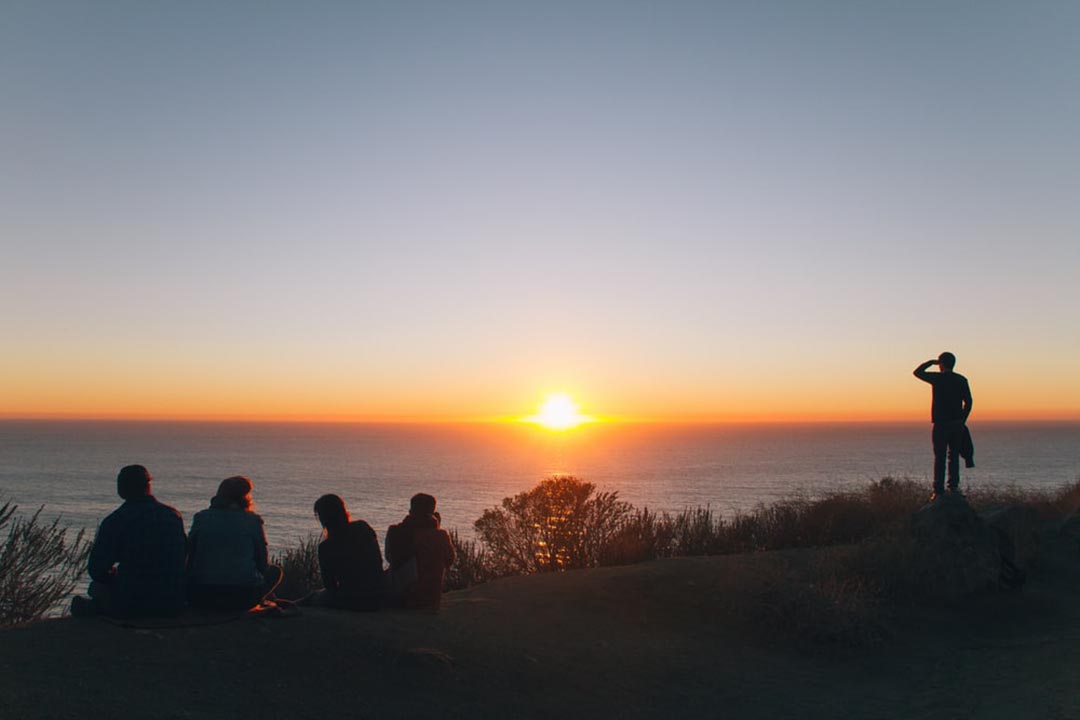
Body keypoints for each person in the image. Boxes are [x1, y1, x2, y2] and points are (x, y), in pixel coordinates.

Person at [71, 465, 187, 618]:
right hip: (173, 600)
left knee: (95, 588)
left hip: (134, 601)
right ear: (148, 486)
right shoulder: (173, 515)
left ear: (121, 489)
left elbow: (97, 570)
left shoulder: (117, 520)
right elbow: (182, 557)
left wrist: (117, 575)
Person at [186, 476, 283, 611]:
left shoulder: (201, 517)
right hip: (242, 597)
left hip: (202, 595)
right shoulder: (252, 521)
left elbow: (189, 555)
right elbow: (262, 564)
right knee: (274, 571)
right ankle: (259, 601)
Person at [306, 494, 384, 611]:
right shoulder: (363, 528)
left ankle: (288, 604)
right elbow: (378, 561)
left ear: (323, 519)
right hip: (378, 596)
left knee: (313, 597)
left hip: (350, 600)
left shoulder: (326, 547)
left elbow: (330, 587)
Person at [914, 352, 974, 500]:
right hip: (956, 424)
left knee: (939, 457)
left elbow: (917, 372)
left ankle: (938, 491)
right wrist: (962, 419)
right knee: (953, 456)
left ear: (941, 364)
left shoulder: (937, 378)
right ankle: (953, 487)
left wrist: (930, 362)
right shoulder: (961, 379)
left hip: (941, 424)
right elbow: (969, 401)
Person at [385, 493, 456, 610]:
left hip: (401, 598)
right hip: (430, 600)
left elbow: (389, 558)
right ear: (432, 512)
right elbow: (449, 560)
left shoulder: (394, 531)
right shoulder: (440, 535)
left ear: (411, 510)